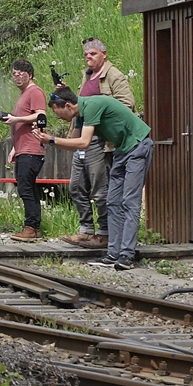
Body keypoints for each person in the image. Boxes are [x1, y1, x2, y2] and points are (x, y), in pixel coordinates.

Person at [37, 84, 153, 270]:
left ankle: (127, 255)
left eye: (57, 112)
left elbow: (84, 142)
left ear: (68, 106)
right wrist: (48, 139)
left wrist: (51, 139)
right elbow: (74, 144)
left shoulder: (91, 106)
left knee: (129, 201)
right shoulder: (80, 115)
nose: (57, 117)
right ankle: (113, 253)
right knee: (112, 201)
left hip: (138, 145)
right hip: (121, 150)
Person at [61, 38, 136, 250]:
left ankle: (105, 233)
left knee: (100, 189)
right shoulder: (86, 76)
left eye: (93, 54)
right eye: (86, 55)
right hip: (82, 137)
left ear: (104, 54)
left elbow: (127, 104)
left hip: (100, 140)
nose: (88, 58)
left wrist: (101, 119)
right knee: (76, 185)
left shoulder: (114, 75)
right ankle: (85, 229)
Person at [0, 59, 48, 241]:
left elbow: (41, 115)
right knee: (27, 187)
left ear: (30, 75)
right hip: (23, 148)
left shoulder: (34, 91)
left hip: (31, 149)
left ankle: (31, 227)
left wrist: (16, 119)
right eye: (14, 73)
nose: (17, 77)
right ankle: (33, 227)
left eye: (21, 73)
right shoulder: (24, 94)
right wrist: (15, 148)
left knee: (26, 187)